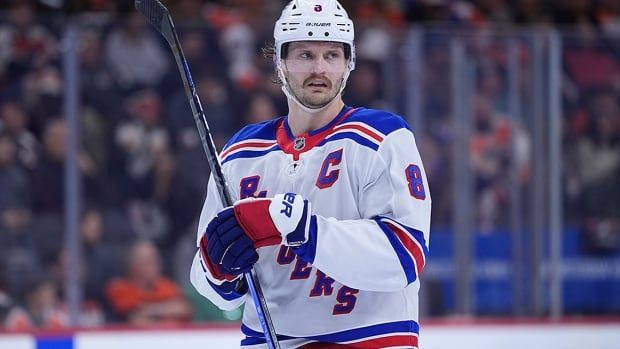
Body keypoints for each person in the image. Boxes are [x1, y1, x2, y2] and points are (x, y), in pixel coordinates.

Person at [189, 1, 431, 348]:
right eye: (304, 55)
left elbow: (403, 257)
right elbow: (214, 286)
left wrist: (309, 231)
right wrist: (217, 269)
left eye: (331, 56)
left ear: (349, 63)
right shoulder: (240, 154)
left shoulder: (381, 137)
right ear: (280, 63)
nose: (319, 69)